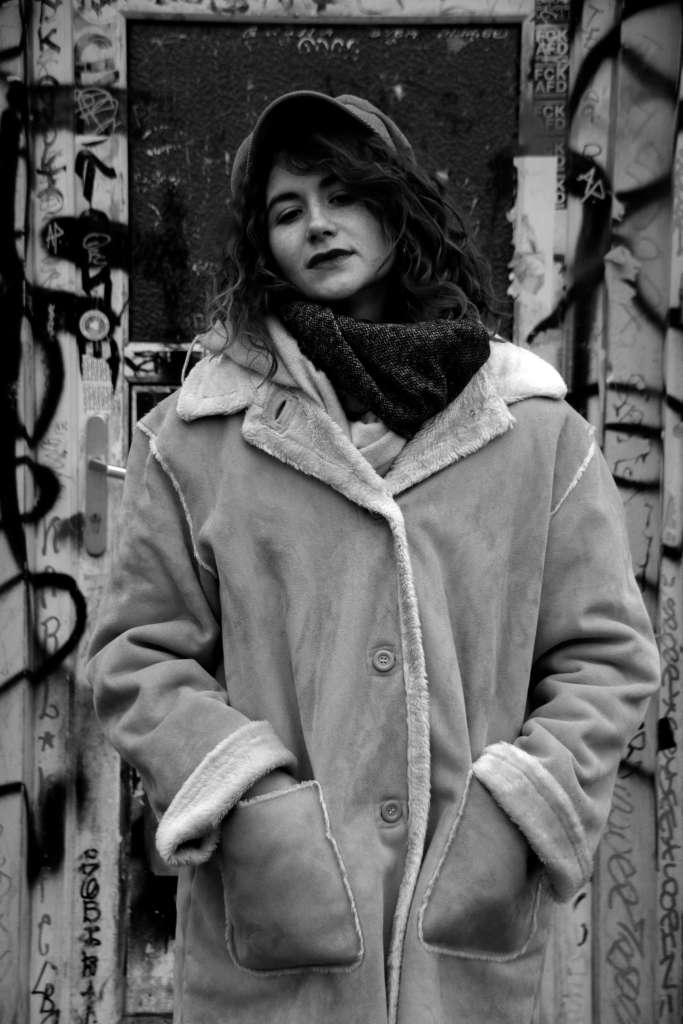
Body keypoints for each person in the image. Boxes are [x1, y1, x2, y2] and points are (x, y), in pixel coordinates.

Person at [87, 92, 660, 1024]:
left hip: (463, 921)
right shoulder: (196, 439)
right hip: (281, 925)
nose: (317, 224)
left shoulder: (533, 431)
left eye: (343, 194)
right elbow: (135, 656)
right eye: (287, 210)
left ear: (396, 207)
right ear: (262, 245)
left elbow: (605, 655)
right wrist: (251, 803)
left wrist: (518, 807)